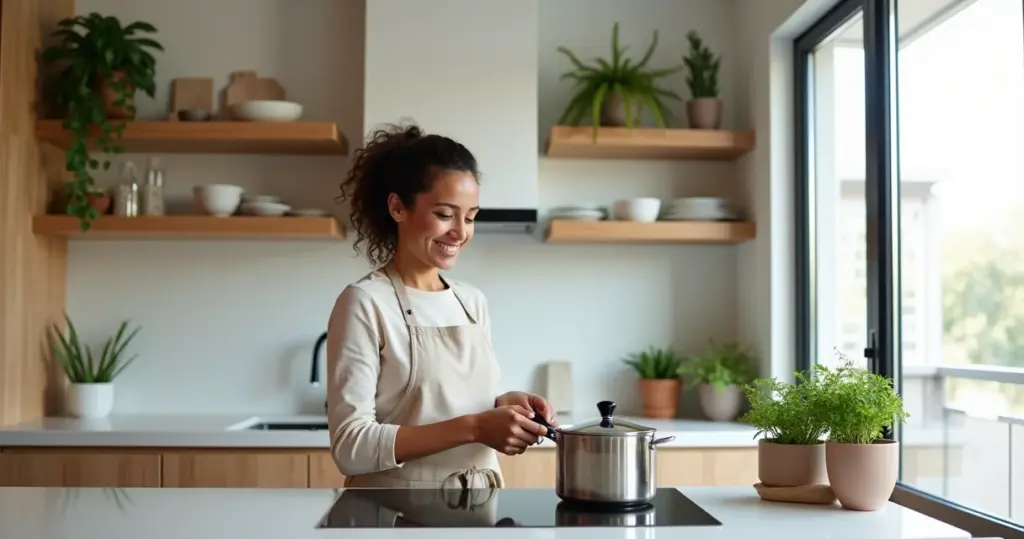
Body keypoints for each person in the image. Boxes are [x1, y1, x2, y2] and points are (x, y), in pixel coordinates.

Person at [326, 121, 556, 489]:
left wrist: (505, 404)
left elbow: (449, 405)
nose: (460, 232)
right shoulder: (366, 302)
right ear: (398, 207)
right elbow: (351, 446)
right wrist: (476, 427)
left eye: (471, 217)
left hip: (477, 504)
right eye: (445, 215)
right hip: (396, 510)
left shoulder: (471, 301)